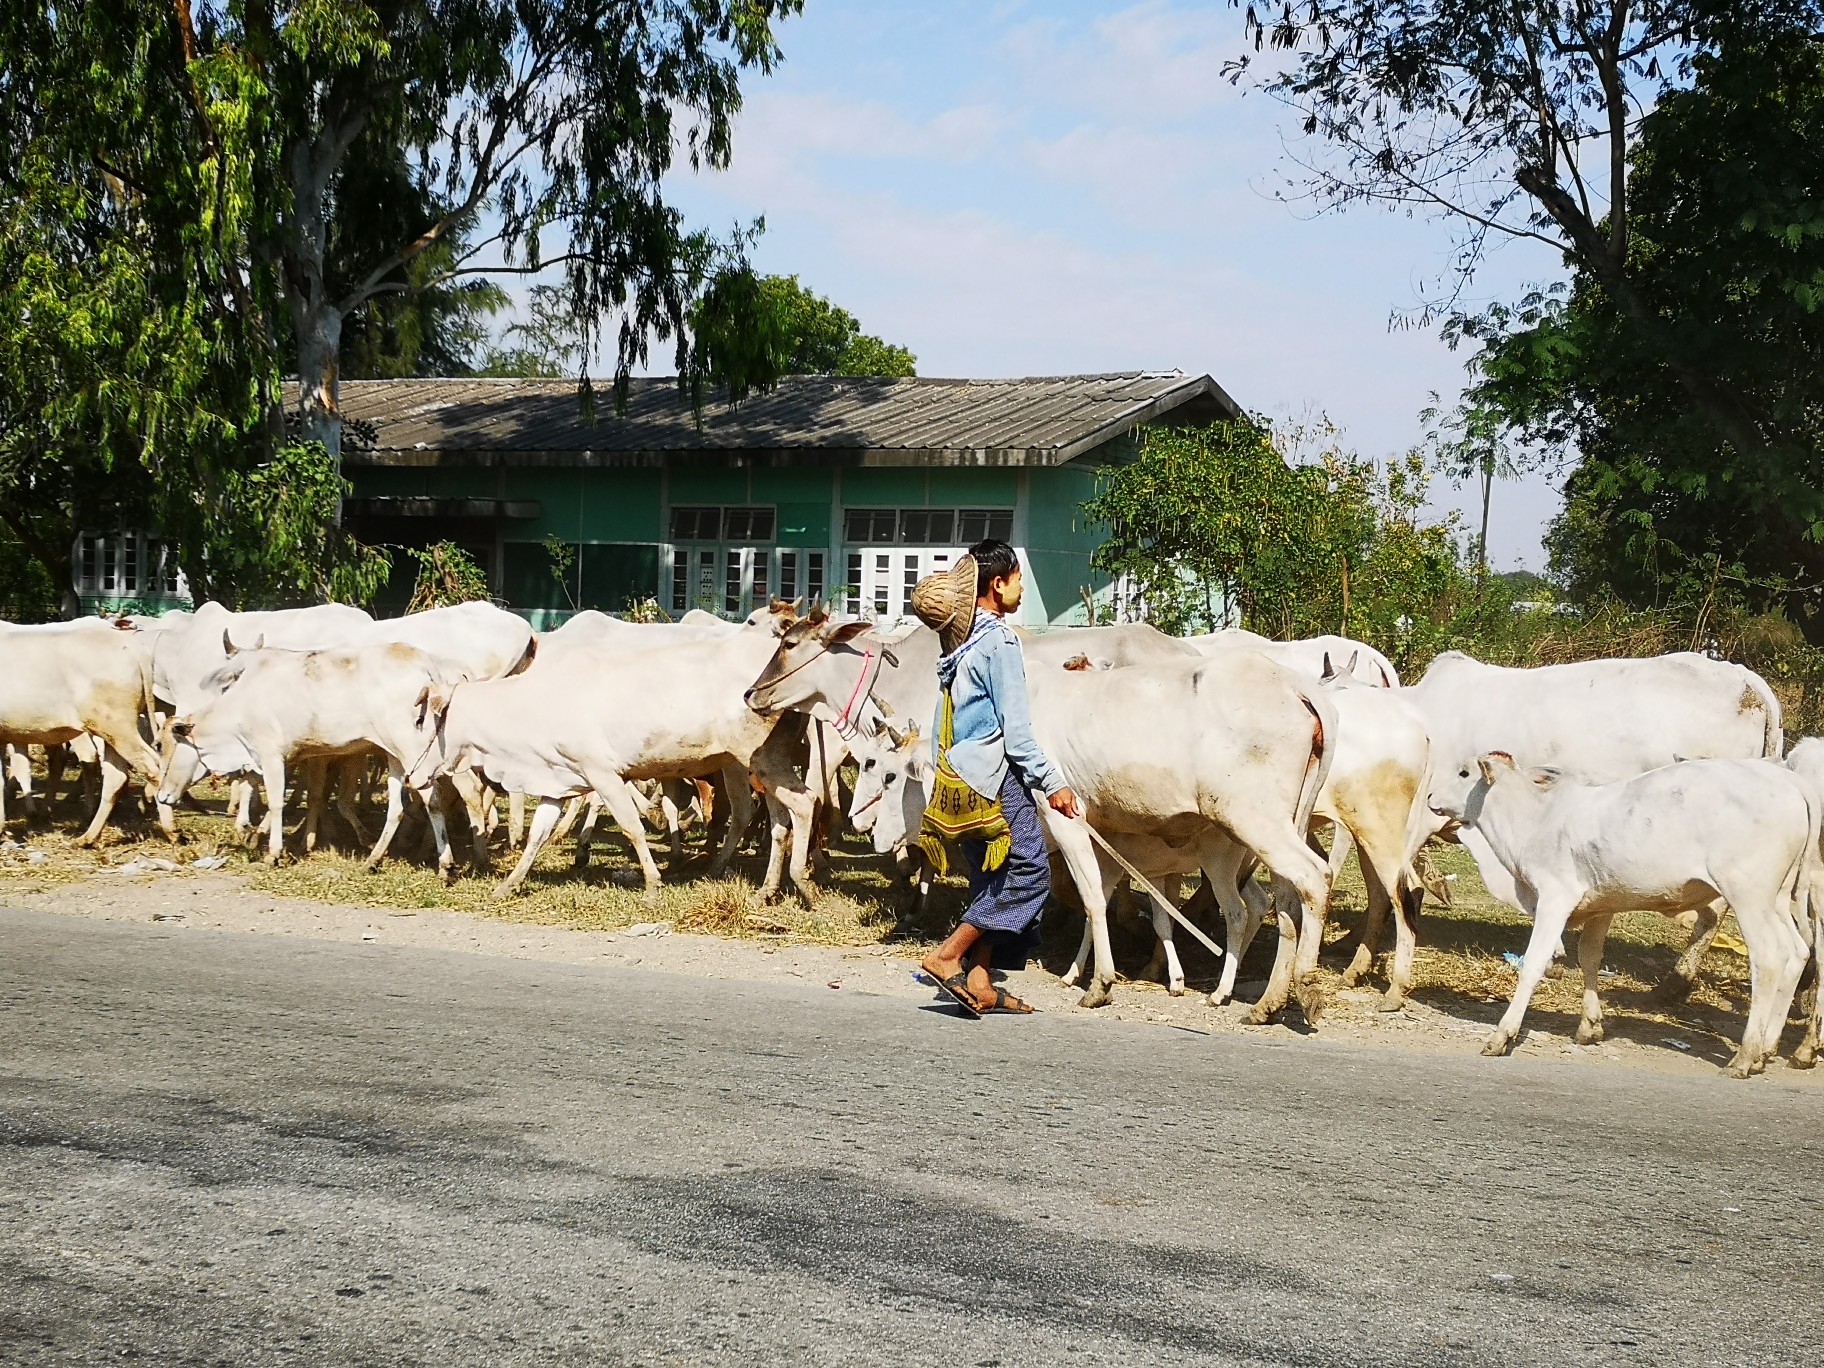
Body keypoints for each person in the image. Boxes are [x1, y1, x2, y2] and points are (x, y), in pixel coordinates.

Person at [907, 540, 1080, 1016]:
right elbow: (1017, 735)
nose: (1022, 588)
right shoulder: (1000, 642)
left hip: (961, 778)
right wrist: (1053, 783)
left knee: (990, 877)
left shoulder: (957, 645)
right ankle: (948, 955)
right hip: (996, 776)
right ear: (997, 584)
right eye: (1018, 578)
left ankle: (981, 981)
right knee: (1029, 871)